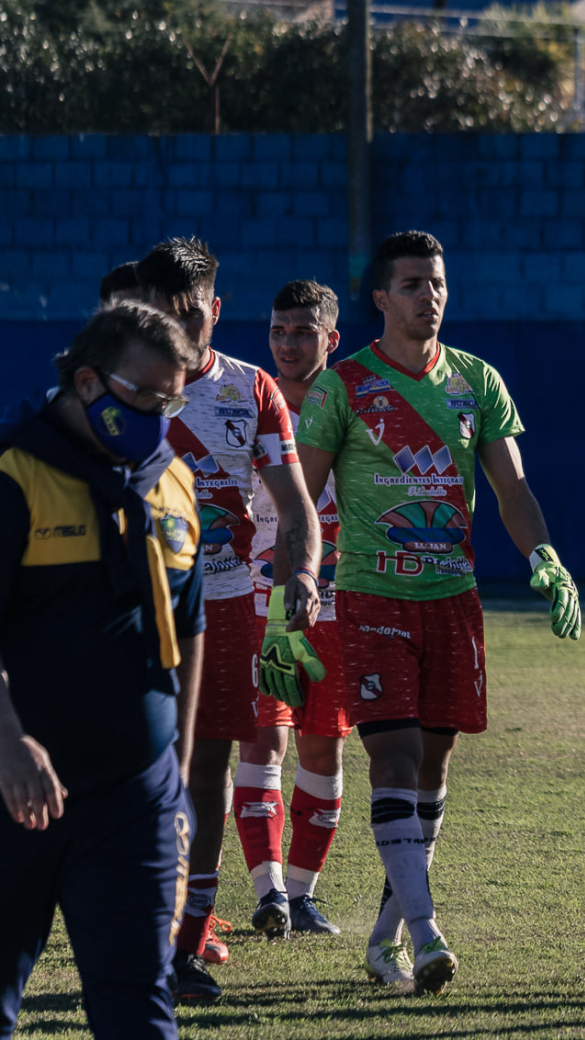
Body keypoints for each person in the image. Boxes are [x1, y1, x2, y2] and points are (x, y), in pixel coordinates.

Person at [294, 230, 581, 994]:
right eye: (415, 284)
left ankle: (384, 935)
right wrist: (297, 578)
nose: (432, 297)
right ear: (382, 299)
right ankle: (426, 935)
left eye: (439, 283)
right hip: (371, 597)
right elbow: (302, 497)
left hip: (453, 599)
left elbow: (512, 490)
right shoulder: (343, 385)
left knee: (432, 766)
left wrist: (544, 558)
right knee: (391, 756)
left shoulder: (477, 381)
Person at [0, 303, 202, 1039]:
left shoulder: (171, 482)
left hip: (133, 798)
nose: (158, 417)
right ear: (87, 382)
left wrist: (175, 767)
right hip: (11, 792)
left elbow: (191, 629)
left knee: (137, 1007)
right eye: (145, 399)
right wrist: (10, 740)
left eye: (170, 401)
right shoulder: (13, 474)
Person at [135, 238, 321, 1001]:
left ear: (217, 308)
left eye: (191, 316)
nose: (176, 332)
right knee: (128, 778)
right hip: (126, 613)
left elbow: (294, 503)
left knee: (208, 769)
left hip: (225, 611)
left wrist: (303, 570)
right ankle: (127, 928)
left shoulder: (253, 392)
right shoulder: (111, 391)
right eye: (158, 316)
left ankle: (184, 944)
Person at [244, 280, 349, 935]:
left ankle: (304, 896)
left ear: (332, 339)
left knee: (324, 752)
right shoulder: (250, 402)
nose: (287, 343)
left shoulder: (359, 408)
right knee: (266, 737)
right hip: (270, 604)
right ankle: (270, 893)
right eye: (279, 331)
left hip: (339, 609)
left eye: (302, 332)